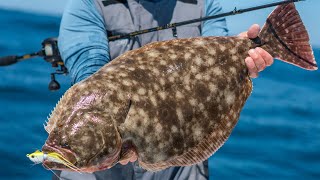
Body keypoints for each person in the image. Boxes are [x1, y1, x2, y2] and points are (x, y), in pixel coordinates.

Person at [56, 0, 274, 179]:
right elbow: (89, 69)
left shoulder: (204, 4)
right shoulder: (88, 4)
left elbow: (219, 52)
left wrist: (241, 54)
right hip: (95, 167)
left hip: (179, 161)